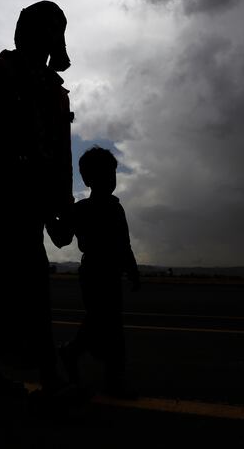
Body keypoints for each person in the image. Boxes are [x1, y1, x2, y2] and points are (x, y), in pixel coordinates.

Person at [0, 1, 74, 398]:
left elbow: (59, 154)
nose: (49, 38)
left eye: (55, 30)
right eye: (44, 28)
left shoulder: (53, 89)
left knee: (9, 285)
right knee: (30, 282)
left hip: (37, 200)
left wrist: (62, 207)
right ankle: (50, 376)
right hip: (7, 196)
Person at [57, 147, 141, 399]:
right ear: (88, 179)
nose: (110, 180)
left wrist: (132, 270)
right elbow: (62, 239)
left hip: (111, 274)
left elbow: (124, 244)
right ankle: (80, 357)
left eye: (112, 175)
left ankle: (91, 365)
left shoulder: (116, 208)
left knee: (108, 325)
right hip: (93, 272)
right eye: (104, 175)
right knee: (103, 322)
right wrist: (56, 214)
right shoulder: (81, 209)